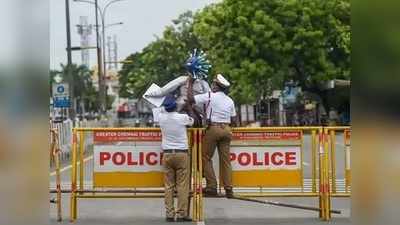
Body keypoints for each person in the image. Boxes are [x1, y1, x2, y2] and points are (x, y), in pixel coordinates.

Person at [188, 74, 237, 198]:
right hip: (227, 129)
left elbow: (190, 99)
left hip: (213, 128)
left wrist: (190, 83)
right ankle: (229, 189)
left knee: (204, 157)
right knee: (225, 161)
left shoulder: (210, 96)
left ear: (215, 86)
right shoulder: (230, 100)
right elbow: (234, 120)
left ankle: (212, 186)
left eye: (213, 84)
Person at [146, 49, 211, 126]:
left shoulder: (183, 79)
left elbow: (164, 90)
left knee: (164, 112)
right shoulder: (204, 84)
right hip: (200, 113)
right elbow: (210, 100)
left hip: (181, 107)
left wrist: (150, 94)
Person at [159, 95, 194, 222]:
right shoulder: (182, 118)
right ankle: (181, 214)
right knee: (182, 186)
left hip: (167, 154)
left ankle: (169, 213)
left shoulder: (161, 118)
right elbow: (193, 121)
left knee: (168, 186)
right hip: (181, 154)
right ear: (175, 107)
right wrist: (188, 107)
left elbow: (160, 110)